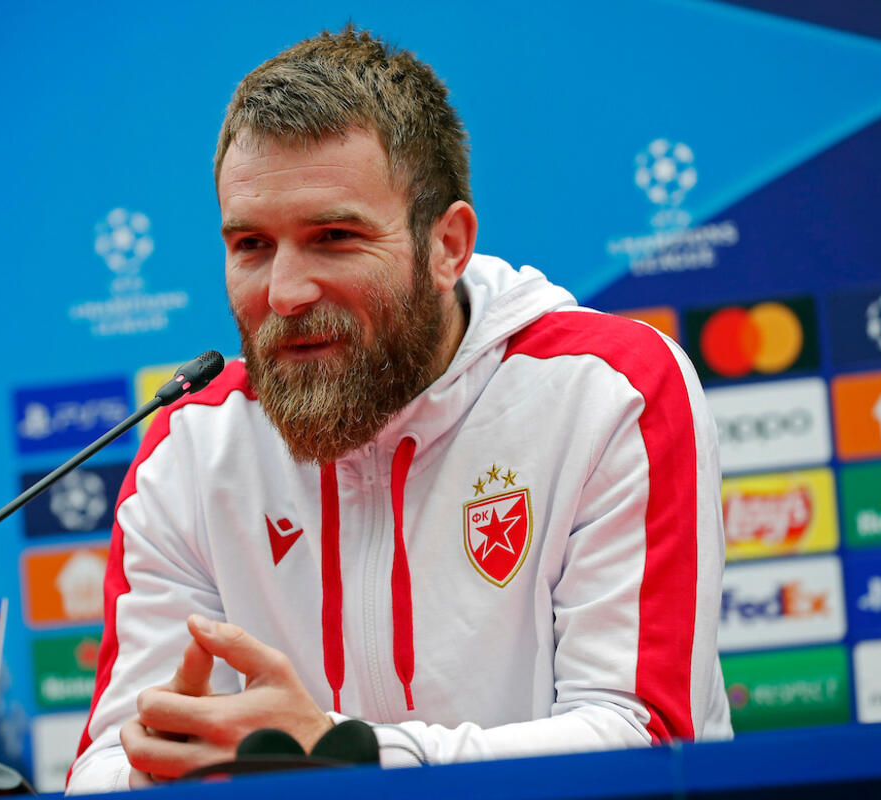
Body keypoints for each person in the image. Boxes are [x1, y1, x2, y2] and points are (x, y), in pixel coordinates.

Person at [65, 25, 731, 794]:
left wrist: (345, 758)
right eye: (251, 245)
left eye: (334, 237)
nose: (284, 293)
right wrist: (157, 775)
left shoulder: (608, 393)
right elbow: (102, 766)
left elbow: (642, 740)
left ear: (447, 245)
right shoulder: (190, 449)